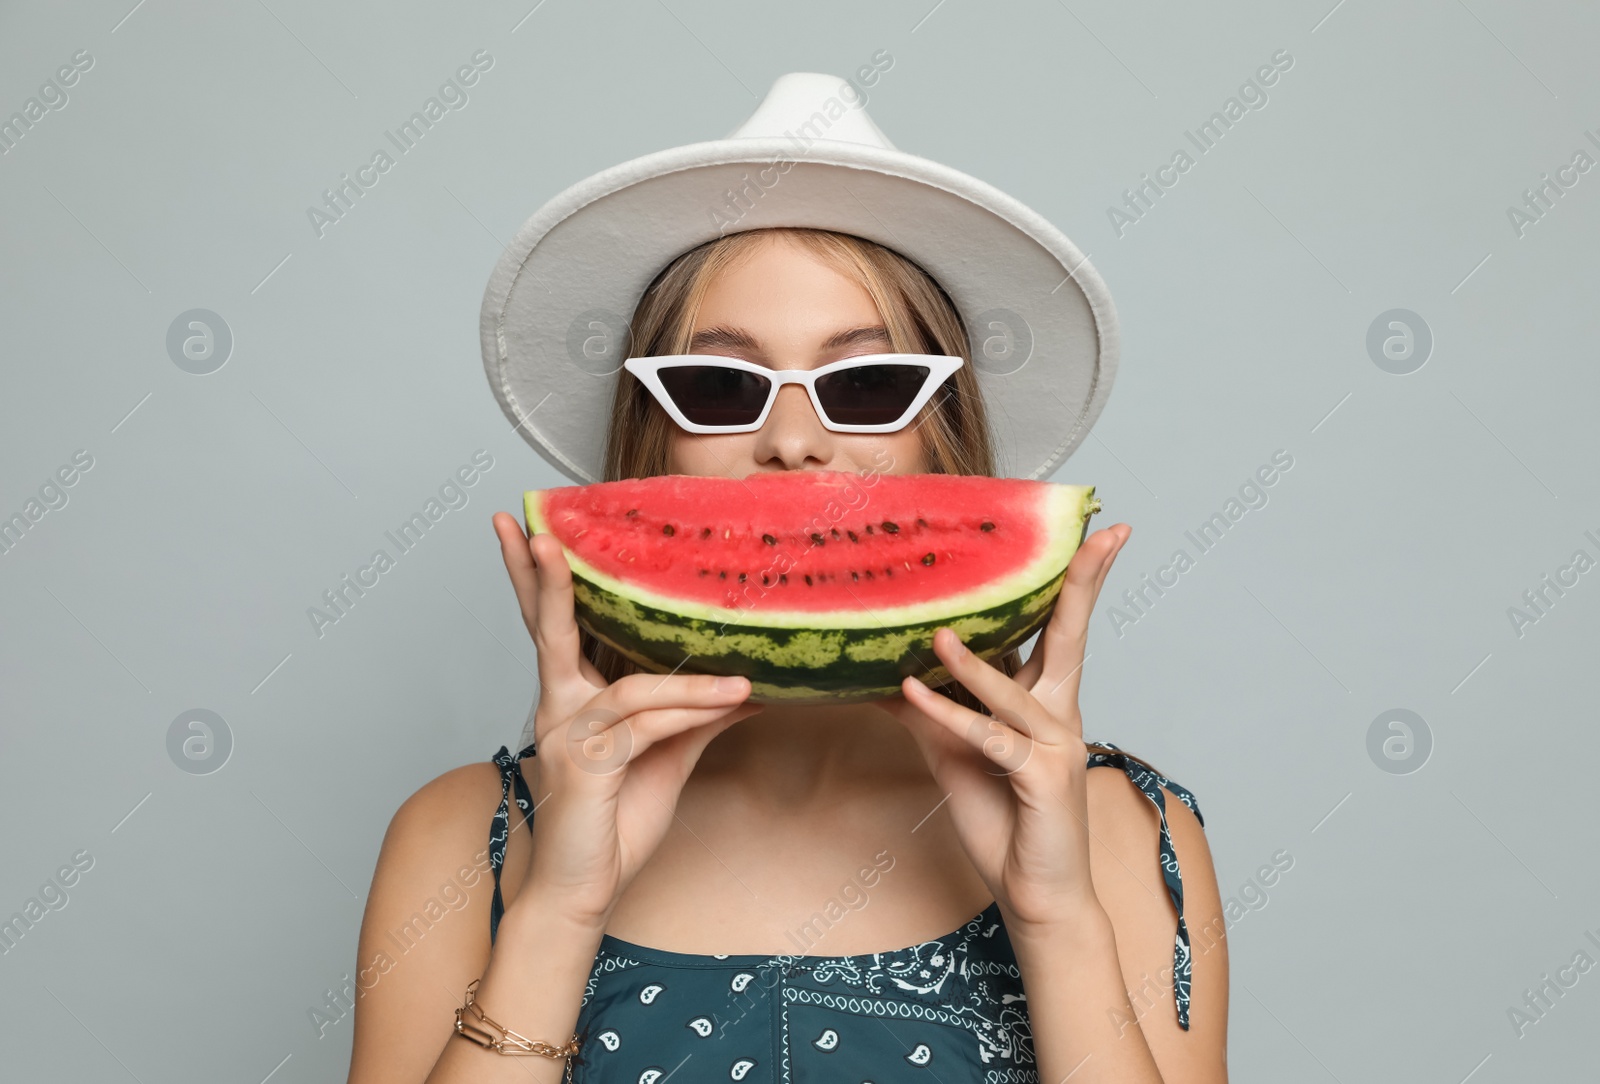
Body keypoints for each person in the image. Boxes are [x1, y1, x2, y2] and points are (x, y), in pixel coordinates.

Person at [348, 75, 1227, 1084]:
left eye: (870, 384)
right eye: (718, 385)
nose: (794, 442)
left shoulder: (1115, 831)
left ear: (951, 446)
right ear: (651, 449)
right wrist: (560, 909)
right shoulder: (468, 840)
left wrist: (1055, 916)